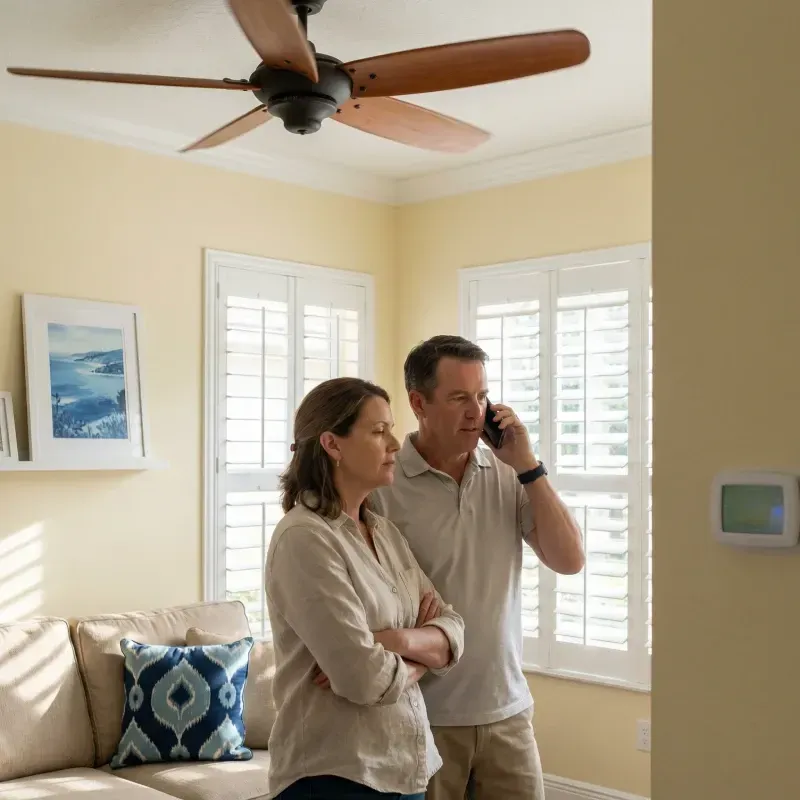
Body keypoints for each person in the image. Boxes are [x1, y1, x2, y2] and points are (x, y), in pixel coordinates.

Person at [372, 335, 585, 800]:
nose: (476, 411)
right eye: (458, 398)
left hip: (507, 713)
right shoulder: (381, 484)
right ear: (419, 403)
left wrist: (528, 465)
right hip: (422, 716)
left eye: (482, 396)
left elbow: (570, 560)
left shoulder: (510, 474)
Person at [265, 377, 466, 800]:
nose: (394, 444)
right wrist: (424, 658)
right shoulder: (305, 538)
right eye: (378, 431)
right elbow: (362, 678)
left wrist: (392, 640)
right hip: (335, 777)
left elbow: (453, 627)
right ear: (332, 445)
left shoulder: (384, 532)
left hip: (407, 769)